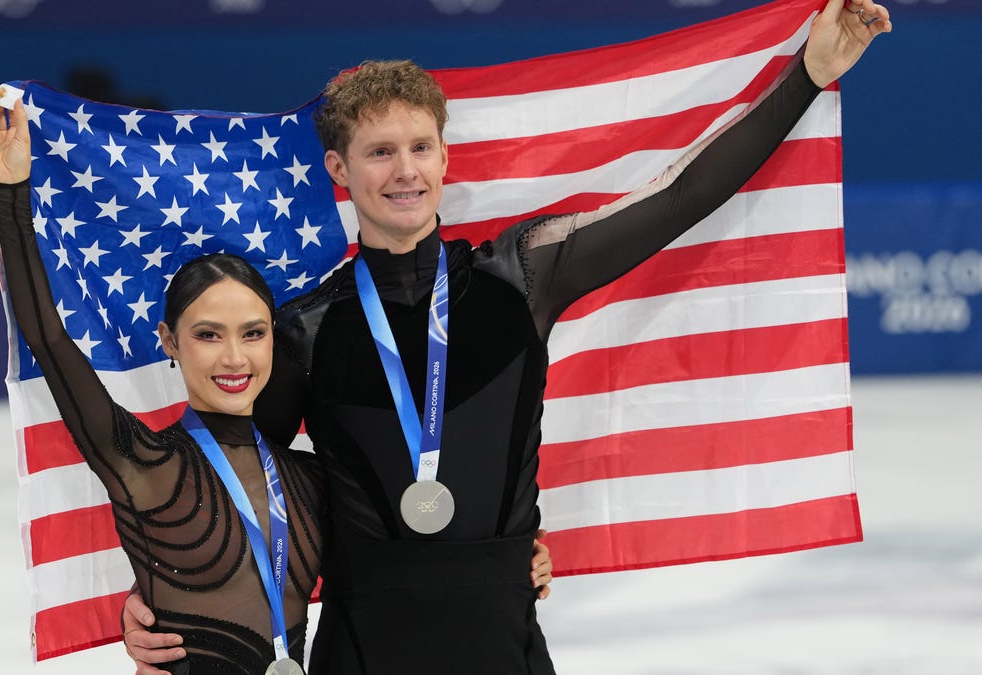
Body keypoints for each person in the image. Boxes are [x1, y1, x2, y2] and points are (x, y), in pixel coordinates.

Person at [124, 0, 891, 672]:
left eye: (419, 147)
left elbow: (682, 195)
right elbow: (230, 483)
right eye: (380, 151)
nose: (404, 170)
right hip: (363, 651)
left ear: (445, 157)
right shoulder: (306, 329)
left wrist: (808, 76)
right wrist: (158, 593)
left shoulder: (520, 277)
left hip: (504, 645)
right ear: (339, 167)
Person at [0, 93, 328, 674]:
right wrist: (11, 193)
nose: (234, 357)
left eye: (253, 333)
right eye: (209, 335)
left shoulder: (313, 480)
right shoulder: (143, 462)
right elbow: (50, 340)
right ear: (169, 341)